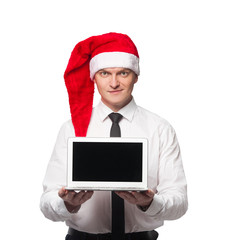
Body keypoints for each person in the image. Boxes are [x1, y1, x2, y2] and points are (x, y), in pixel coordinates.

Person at [40, 32, 188, 240]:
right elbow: (46, 204)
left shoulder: (160, 129)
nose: (114, 83)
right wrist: (67, 203)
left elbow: (180, 203)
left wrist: (149, 203)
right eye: (105, 73)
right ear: (94, 78)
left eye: (123, 73)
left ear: (136, 76)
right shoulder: (71, 129)